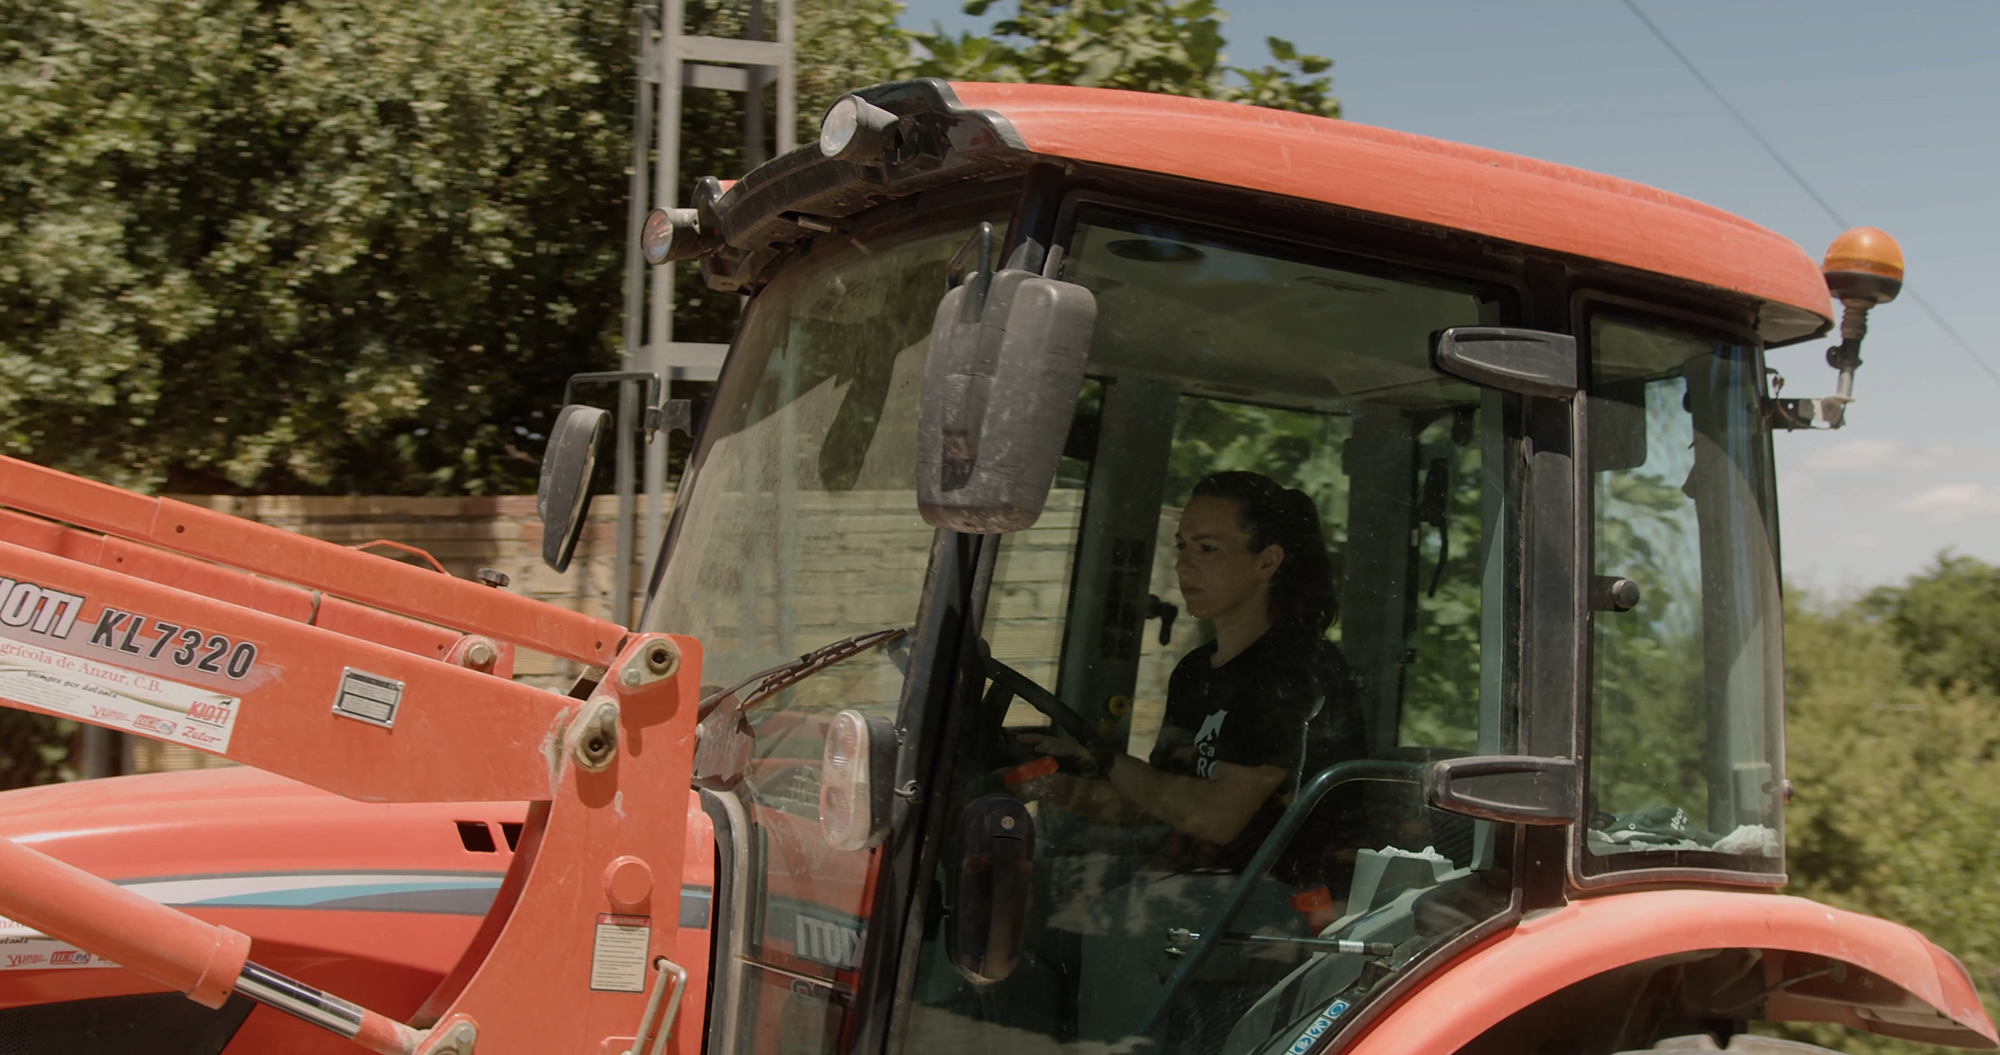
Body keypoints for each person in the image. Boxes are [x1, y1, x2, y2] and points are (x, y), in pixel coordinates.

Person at [1023, 470, 1364, 872]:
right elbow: (1161, 805)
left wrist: (1107, 759)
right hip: (1191, 886)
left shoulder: (1293, 672)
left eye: (1207, 548)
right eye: (1182, 547)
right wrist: (1043, 781)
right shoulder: (1194, 671)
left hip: (1272, 903)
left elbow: (1215, 819)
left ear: (1267, 561)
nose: (1183, 566)